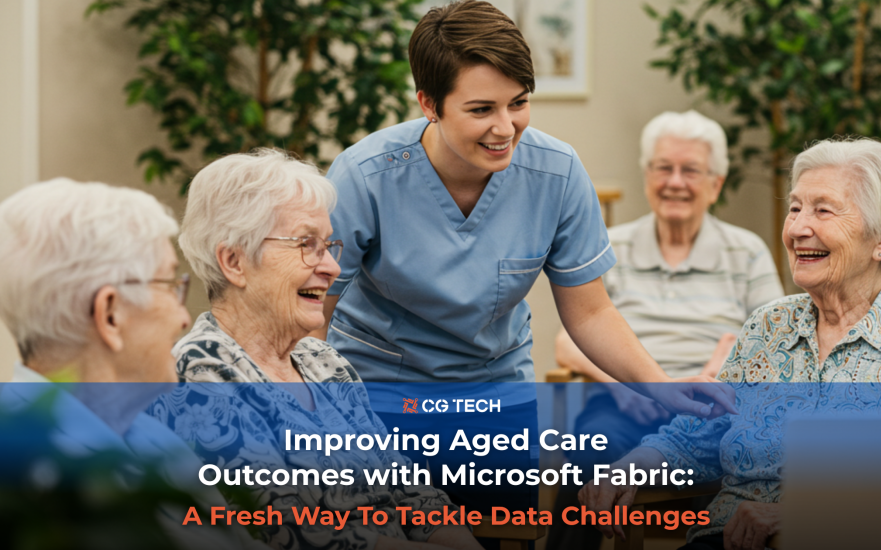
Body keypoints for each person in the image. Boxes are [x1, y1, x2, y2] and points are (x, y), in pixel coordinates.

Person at [318, 1, 731, 425]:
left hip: (497, 393)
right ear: (429, 104)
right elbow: (316, 311)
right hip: (382, 393)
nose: (505, 128)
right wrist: (316, 410)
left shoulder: (557, 172)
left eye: (518, 103)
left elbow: (590, 313)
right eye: (481, 109)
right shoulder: (365, 177)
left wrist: (662, 386)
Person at [579, 137, 881, 550]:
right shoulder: (769, 326)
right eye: (795, 208)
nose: (799, 228)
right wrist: (628, 469)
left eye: (822, 210)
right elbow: (696, 437)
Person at [166, 148, 481, 550]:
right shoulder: (200, 373)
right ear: (234, 261)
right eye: (306, 244)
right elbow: (301, 535)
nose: (332, 267)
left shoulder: (323, 362)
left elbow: (412, 495)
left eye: (330, 246)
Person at [547, 111, 784, 549]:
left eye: (690, 170)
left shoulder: (746, 251)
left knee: (739, 461)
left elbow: (774, 339)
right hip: (624, 403)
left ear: (715, 183)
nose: (675, 182)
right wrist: (628, 384)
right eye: (663, 168)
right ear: (646, 175)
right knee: (588, 451)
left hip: (710, 408)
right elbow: (568, 342)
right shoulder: (609, 244)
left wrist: (720, 370)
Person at [0, 178, 262, 550]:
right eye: (171, 286)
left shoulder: (148, 435)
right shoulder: (34, 481)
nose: (182, 317)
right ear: (110, 315)